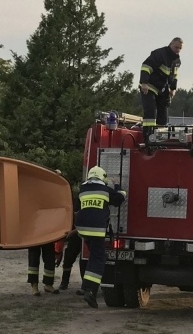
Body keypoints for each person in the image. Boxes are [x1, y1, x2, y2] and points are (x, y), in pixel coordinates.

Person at [76, 166, 127, 308]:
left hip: (82, 229)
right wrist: (117, 184)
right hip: (96, 229)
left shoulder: (82, 189)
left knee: (93, 257)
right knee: (99, 259)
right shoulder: (105, 190)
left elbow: (77, 207)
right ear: (102, 177)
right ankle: (90, 291)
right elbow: (120, 198)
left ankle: (85, 287)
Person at [139, 37, 182, 143]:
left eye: (180, 48)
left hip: (163, 89)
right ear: (170, 44)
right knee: (151, 112)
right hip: (150, 87)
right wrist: (144, 83)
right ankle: (148, 138)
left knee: (163, 115)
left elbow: (175, 75)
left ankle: (158, 140)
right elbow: (146, 66)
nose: (177, 50)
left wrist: (173, 88)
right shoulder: (159, 54)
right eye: (176, 47)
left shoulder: (176, 60)